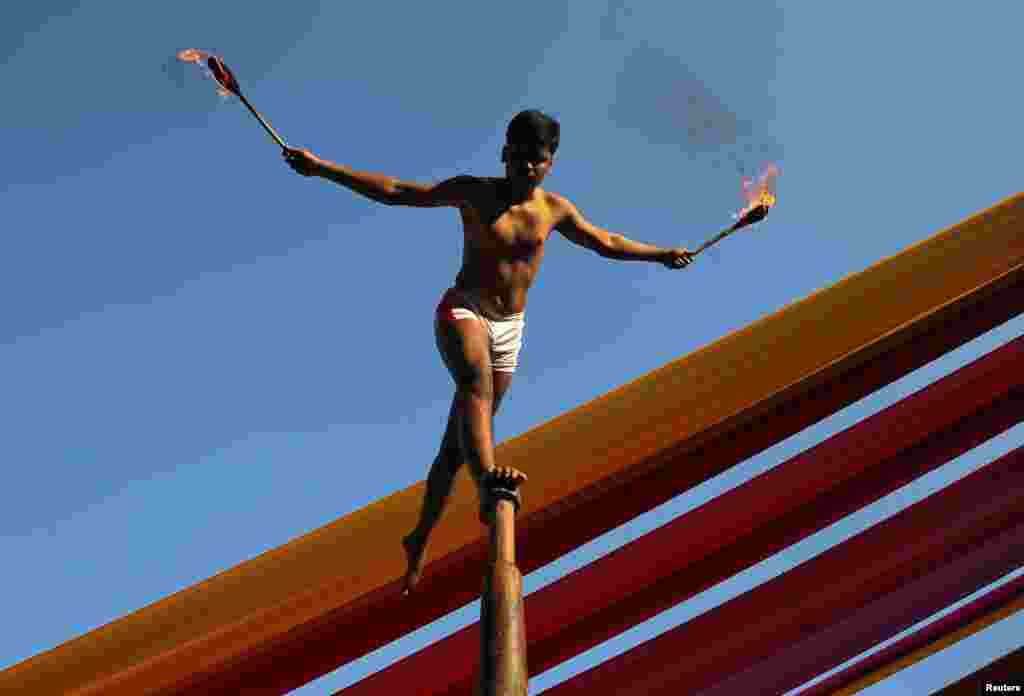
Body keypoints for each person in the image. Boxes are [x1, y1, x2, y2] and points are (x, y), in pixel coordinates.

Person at [284, 110, 695, 595]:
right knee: (474, 384)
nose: (525, 168)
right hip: (464, 310)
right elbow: (399, 191)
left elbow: (605, 241)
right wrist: (324, 168)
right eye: (517, 158)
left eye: (535, 161)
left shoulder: (555, 210)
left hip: (510, 329)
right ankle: (489, 484)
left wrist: (661, 253)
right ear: (504, 154)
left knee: (454, 449)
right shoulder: (475, 192)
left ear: (550, 164)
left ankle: (418, 537)